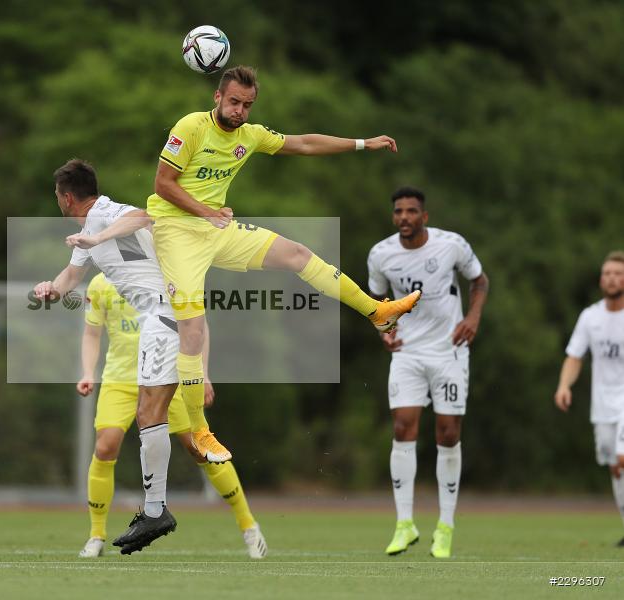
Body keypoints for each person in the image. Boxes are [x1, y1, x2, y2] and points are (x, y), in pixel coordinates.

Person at [147, 65, 421, 463]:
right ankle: (201, 432)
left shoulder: (250, 136)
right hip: (175, 231)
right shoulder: (190, 127)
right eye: (235, 102)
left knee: (297, 254)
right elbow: (162, 185)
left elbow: (306, 144)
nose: (241, 111)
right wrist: (206, 213)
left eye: (248, 105)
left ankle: (377, 311)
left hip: (215, 227)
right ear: (218, 98)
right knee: (191, 328)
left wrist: (363, 143)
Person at [35, 158, 230, 554]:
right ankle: (157, 506)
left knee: (151, 415)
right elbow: (71, 277)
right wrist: (50, 290)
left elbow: (142, 216)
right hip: (161, 317)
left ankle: (157, 508)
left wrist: (96, 237)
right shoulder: (90, 228)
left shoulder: (105, 212)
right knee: (151, 413)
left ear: (67, 197)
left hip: (165, 313)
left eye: (57, 196)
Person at [76, 272, 266, 559]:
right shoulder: (101, 283)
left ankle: (248, 525)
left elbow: (197, 325)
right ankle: (96, 536)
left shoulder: (166, 275)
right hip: (120, 380)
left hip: (167, 377)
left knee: (199, 448)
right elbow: (92, 333)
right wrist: (88, 372)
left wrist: (203, 374)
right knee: (105, 445)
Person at [366, 186, 489, 559]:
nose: (404, 217)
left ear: (425, 216)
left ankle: (445, 527)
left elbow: (479, 281)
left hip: (449, 351)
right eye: (399, 212)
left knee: (448, 433)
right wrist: (384, 331)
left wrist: (472, 317)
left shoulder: (451, 245)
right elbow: (376, 304)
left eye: (411, 211)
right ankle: (404, 524)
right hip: (407, 354)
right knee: (403, 426)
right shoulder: (381, 254)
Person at [555, 251, 624, 547]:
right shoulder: (590, 316)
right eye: (607, 273)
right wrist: (564, 386)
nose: (612, 278)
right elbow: (574, 356)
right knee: (615, 464)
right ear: (600, 280)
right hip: (603, 404)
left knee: (623, 457)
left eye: (618, 273)